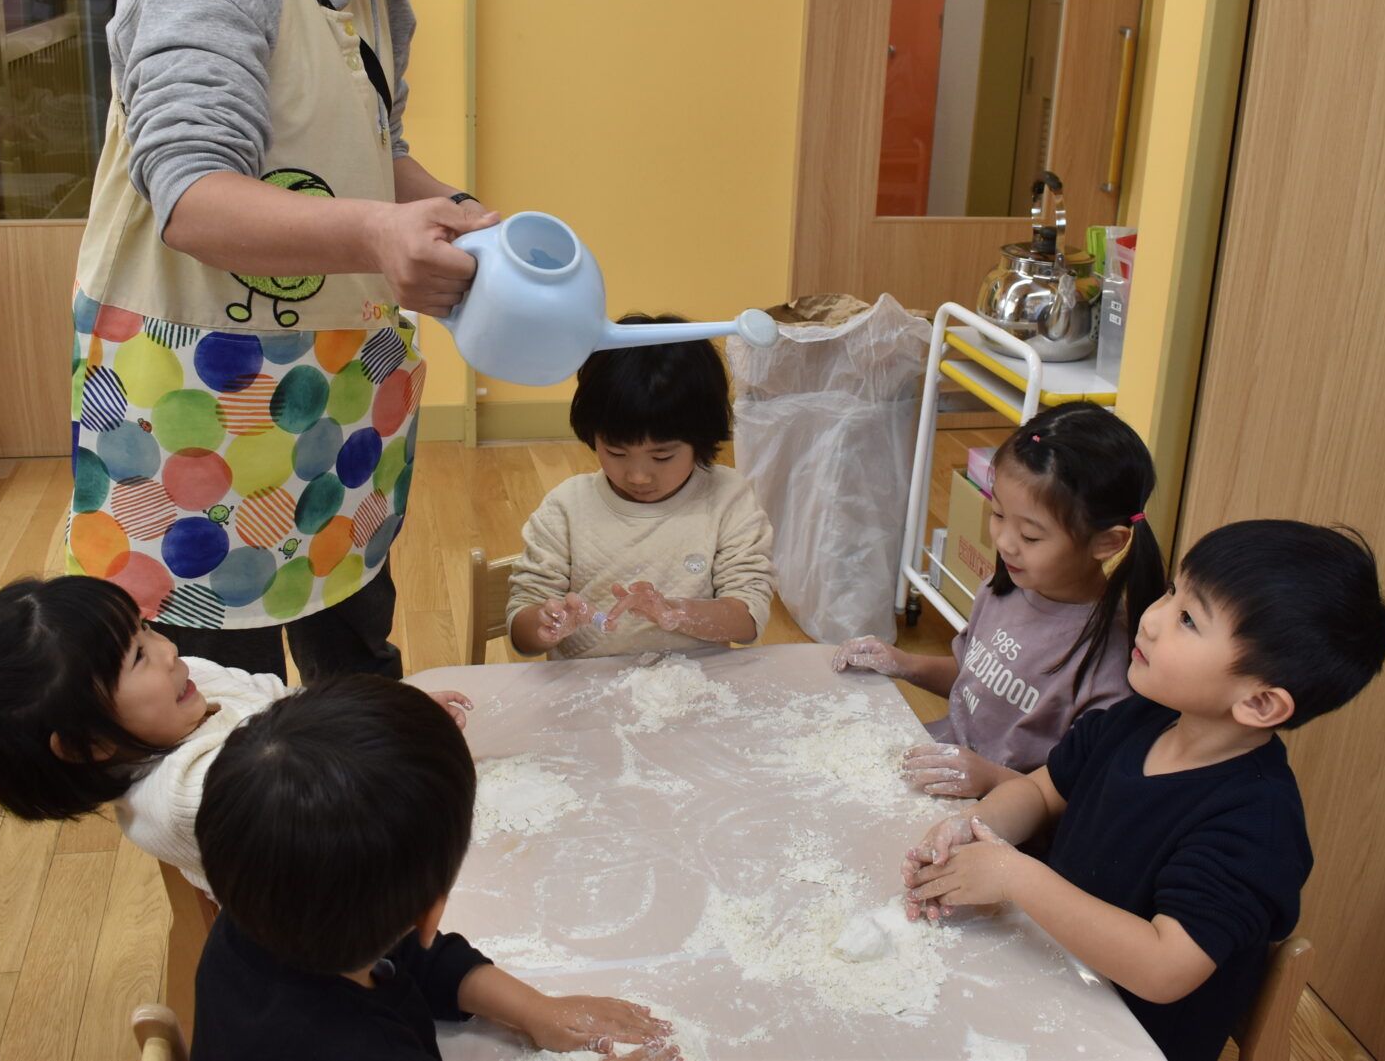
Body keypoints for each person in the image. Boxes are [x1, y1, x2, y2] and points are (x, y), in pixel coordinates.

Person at [67, 0, 507, 682]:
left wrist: (472, 221)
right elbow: (192, 195)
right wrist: (380, 236)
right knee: (220, 691)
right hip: (201, 400)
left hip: (338, 389)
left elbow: (371, 149)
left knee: (355, 651)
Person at [901, 520, 1385, 1061]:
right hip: (1052, 974)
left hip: (1123, 1039)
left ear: (1259, 703)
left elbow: (1164, 968)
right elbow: (1041, 793)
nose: (1153, 619)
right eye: (1171, 591)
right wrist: (976, 828)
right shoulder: (1138, 718)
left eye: (1188, 619)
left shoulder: (1257, 825)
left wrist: (1015, 876)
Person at [191, 675, 676, 1059]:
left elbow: (411, 955)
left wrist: (535, 1009)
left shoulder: (265, 905)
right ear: (429, 913)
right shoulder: (369, 1048)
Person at [0, 575, 471, 896]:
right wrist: (391, 735)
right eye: (137, 657)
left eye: (144, 629)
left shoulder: (186, 689)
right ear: (90, 744)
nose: (167, 650)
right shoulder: (185, 795)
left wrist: (389, 710)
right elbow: (322, 801)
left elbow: (288, 700)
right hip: (335, 911)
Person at [833, 402, 1163, 799]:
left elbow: (1073, 797)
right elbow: (973, 679)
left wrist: (990, 778)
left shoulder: (1107, 668)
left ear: (1106, 542)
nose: (1004, 542)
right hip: (943, 766)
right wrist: (902, 663)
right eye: (998, 514)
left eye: (1031, 536)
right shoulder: (1003, 588)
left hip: (1002, 810)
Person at [507, 316, 775, 658]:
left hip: (697, 683)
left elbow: (748, 618)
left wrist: (676, 611)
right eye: (616, 452)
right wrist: (545, 624)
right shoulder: (567, 508)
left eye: (662, 457)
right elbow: (523, 626)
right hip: (584, 684)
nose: (638, 477)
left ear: (701, 440)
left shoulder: (727, 499)